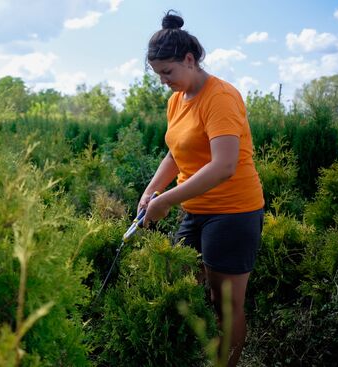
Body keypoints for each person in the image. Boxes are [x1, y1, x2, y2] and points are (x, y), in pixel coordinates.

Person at [140, 10, 265, 367]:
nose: (164, 81)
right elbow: (178, 151)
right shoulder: (177, 99)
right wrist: (151, 191)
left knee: (226, 303)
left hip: (233, 212)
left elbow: (224, 166)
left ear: (190, 60)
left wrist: (166, 201)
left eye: (168, 72)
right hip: (194, 210)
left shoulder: (220, 97)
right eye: (158, 74)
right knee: (185, 290)